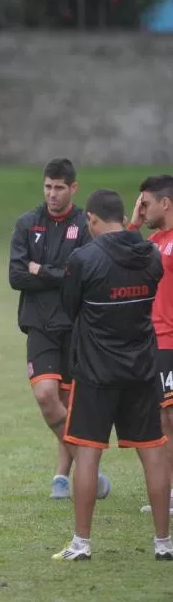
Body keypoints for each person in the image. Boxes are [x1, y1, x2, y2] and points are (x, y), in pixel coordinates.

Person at [54, 188, 171, 561]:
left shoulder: (83, 259)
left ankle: (82, 544)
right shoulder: (150, 254)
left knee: (88, 456)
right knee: (152, 453)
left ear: (91, 219)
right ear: (124, 215)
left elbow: (69, 307)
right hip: (140, 369)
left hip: (95, 372)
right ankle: (163, 543)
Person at [8, 157, 110, 500]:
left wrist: (42, 270)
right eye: (48, 187)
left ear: (73, 188)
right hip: (39, 324)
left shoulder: (85, 224)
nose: (52, 194)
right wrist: (54, 272)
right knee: (46, 395)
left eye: (59, 188)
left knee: (70, 403)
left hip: (76, 324)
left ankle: (62, 478)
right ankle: (87, 467)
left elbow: (80, 277)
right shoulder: (27, 223)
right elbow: (16, 276)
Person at [128, 175, 173, 515]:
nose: (142, 208)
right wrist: (133, 223)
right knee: (161, 419)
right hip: (152, 342)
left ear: (165, 203)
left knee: (168, 417)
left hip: (170, 342)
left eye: (146, 202)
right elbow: (121, 262)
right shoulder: (152, 242)